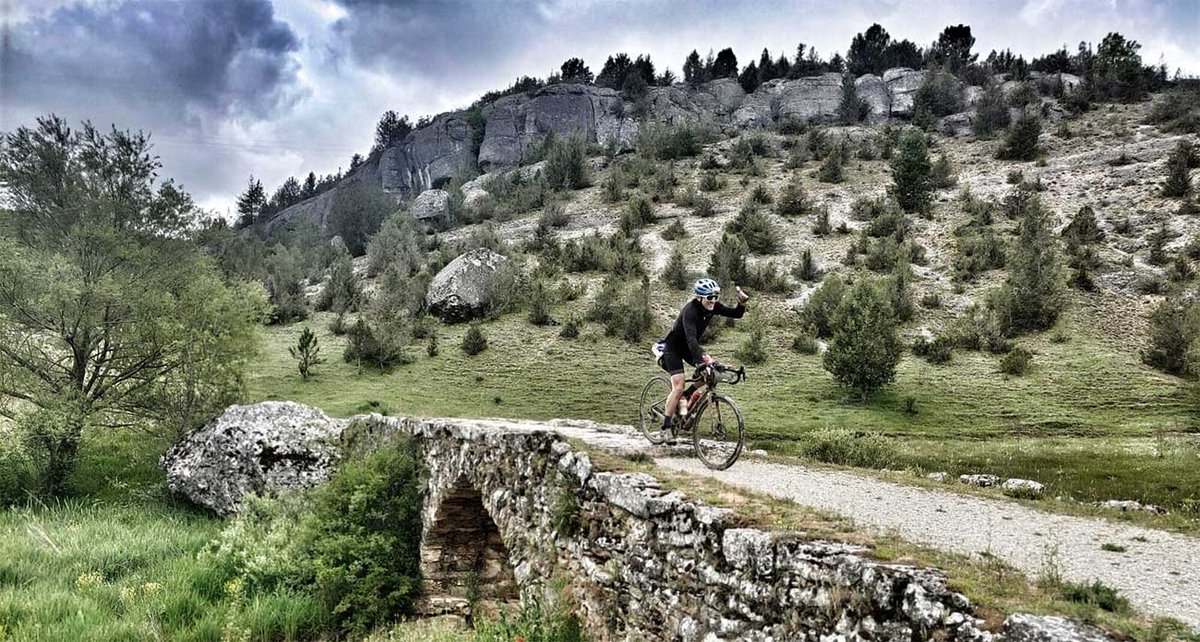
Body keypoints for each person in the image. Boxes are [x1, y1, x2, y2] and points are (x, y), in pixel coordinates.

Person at [657, 278, 748, 431]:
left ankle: (688, 396)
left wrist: (742, 303)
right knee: (678, 386)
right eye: (709, 297)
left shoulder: (713, 307)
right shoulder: (690, 311)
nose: (713, 301)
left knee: (713, 371)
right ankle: (666, 424)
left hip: (690, 348)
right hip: (673, 348)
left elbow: (736, 314)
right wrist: (700, 363)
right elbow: (691, 339)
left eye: (715, 297)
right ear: (699, 297)